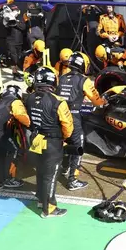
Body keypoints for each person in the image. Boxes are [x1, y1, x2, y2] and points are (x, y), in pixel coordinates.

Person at [25, 67, 74, 218]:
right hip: (53, 142)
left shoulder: (29, 98)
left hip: (36, 139)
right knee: (51, 175)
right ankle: (50, 209)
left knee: (40, 170)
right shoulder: (58, 101)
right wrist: (64, 138)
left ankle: (41, 199)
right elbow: (68, 127)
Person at [56, 52, 107, 191]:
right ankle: (73, 179)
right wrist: (104, 102)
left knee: (65, 143)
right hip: (73, 117)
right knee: (78, 145)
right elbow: (97, 102)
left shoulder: (61, 78)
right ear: (82, 65)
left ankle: (64, 168)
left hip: (58, 116)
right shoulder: (83, 80)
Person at [1, 4, 26, 81]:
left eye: (16, 9)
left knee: (18, 58)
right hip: (11, 41)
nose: (15, 11)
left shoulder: (21, 18)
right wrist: (10, 20)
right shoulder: (7, 17)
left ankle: (18, 72)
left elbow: (23, 27)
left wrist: (15, 22)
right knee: (13, 58)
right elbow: (5, 26)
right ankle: (14, 73)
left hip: (19, 41)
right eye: (13, 10)